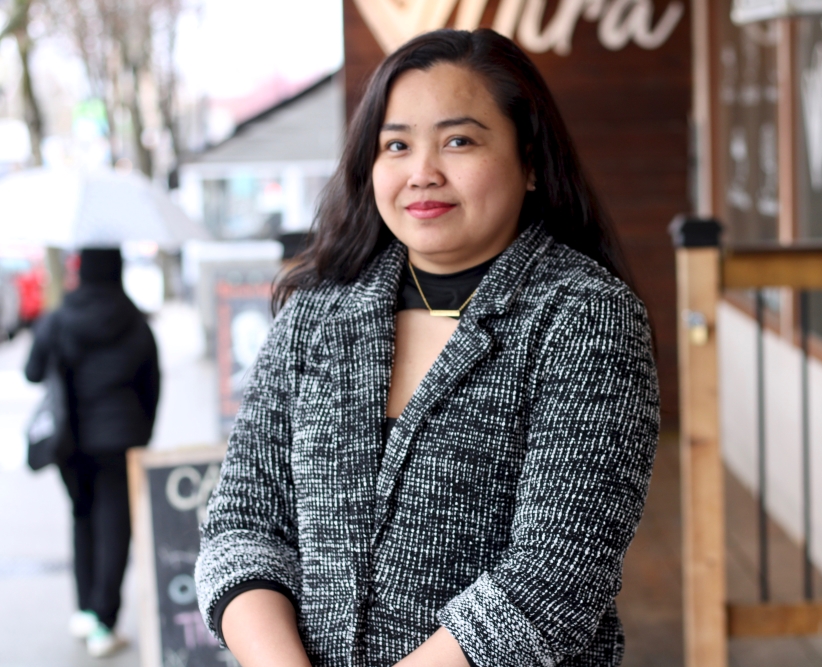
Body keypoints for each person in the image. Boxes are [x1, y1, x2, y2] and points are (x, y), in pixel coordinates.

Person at [195, 28, 659, 667]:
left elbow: (555, 575)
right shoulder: (318, 311)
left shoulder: (583, 314)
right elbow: (243, 523)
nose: (422, 172)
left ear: (530, 161)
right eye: (397, 145)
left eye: (459, 140)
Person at [25, 247, 160, 658]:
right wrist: (142, 434)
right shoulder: (136, 321)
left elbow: (32, 371)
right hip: (120, 441)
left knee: (82, 516)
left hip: (70, 441)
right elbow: (152, 384)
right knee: (115, 528)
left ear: (80, 271)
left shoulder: (59, 318)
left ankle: (86, 610)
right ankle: (103, 619)